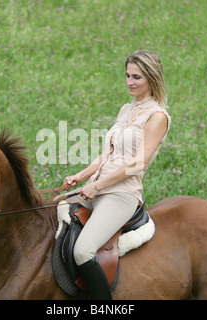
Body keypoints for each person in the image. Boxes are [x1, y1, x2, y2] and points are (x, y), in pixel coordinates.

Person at [63, 50, 171, 299]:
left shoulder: (157, 117)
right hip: (96, 186)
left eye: (137, 77)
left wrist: (98, 186)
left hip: (121, 195)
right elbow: (108, 154)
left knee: (83, 250)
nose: (129, 82)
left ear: (152, 79)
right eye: (127, 75)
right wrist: (80, 177)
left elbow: (138, 164)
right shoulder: (126, 110)